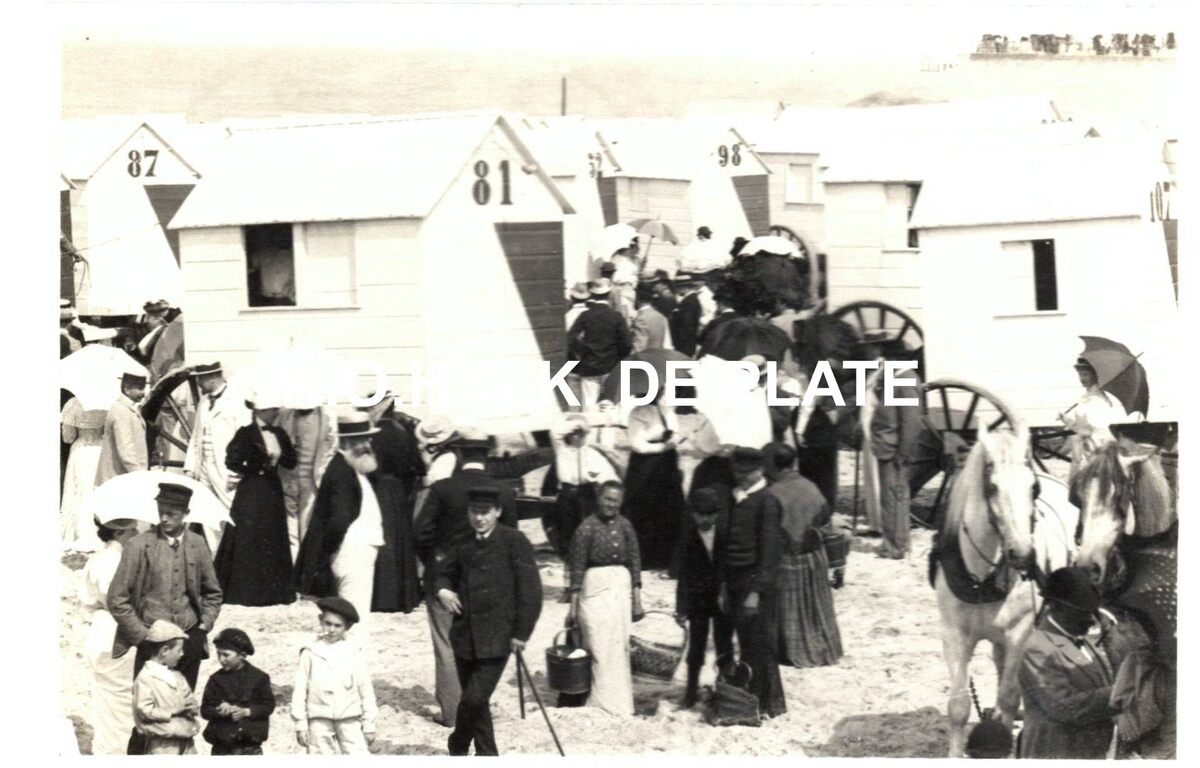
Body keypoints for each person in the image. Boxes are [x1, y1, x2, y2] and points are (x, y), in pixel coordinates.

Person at [414, 427, 518, 728]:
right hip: (487, 579)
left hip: (445, 577)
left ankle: (452, 713)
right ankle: (476, 707)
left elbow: (420, 532)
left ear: (459, 453)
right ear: (488, 454)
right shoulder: (503, 492)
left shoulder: (443, 489)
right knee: (482, 644)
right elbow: (511, 540)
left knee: (447, 644)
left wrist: (433, 562)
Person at [434, 487, 543, 755]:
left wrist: (521, 634)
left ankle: (457, 744)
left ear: (497, 512)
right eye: (474, 512)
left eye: (485, 512)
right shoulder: (462, 541)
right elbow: (442, 572)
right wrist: (443, 590)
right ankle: (488, 754)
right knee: (478, 703)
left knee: (473, 698)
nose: (479, 518)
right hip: (464, 636)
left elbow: (531, 592)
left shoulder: (514, 540)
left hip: (498, 637)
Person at [107, 483, 223, 697]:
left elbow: (213, 593)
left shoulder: (198, 544)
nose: (164, 519)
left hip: (189, 638)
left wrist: (203, 626)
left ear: (186, 513)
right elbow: (116, 599)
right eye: (161, 512)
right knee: (148, 705)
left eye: (171, 514)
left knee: (183, 703)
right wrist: (141, 636)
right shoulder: (138, 545)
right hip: (151, 642)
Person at [294, 410, 390, 645]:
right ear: (346, 442)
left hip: (353, 549)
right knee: (354, 615)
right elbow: (339, 520)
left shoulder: (351, 467)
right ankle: (354, 662)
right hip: (351, 551)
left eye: (368, 438)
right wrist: (330, 550)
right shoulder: (342, 470)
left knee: (352, 612)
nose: (367, 444)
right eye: (361, 439)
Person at [1018, 566, 1116, 759]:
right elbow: (1064, 707)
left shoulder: (1083, 641)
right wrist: (1119, 692)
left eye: (1093, 611)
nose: (1091, 620)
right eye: (1083, 612)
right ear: (1057, 607)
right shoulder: (1036, 647)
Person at [718, 446, 786, 718]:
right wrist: (724, 584)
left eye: (746, 473)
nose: (741, 477)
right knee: (745, 642)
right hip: (734, 578)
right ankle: (747, 699)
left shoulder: (767, 502)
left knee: (759, 643)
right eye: (737, 472)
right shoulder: (735, 497)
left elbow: (770, 553)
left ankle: (767, 703)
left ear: (759, 471)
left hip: (755, 581)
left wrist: (756, 591)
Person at [565, 481, 643, 715]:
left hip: (620, 590)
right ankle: (598, 701)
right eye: (608, 499)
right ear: (599, 498)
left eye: (616, 501)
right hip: (594, 590)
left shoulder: (625, 525)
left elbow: (635, 562)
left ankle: (619, 703)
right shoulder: (586, 528)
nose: (611, 505)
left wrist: (637, 600)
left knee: (618, 646)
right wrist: (573, 608)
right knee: (598, 644)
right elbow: (576, 570)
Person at [213, 390, 298, 607]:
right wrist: (253, 468)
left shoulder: (279, 433)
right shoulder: (246, 433)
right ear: (261, 411)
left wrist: (286, 452)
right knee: (249, 535)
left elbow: (291, 462)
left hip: (272, 489)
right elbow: (231, 460)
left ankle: (272, 592)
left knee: (272, 534)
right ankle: (245, 591)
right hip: (251, 489)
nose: (276, 413)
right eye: (272, 410)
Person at [763, 442, 843, 668]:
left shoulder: (772, 494)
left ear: (772, 465)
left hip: (789, 559)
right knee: (815, 609)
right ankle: (822, 647)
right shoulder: (811, 487)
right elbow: (826, 522)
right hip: (815, 557)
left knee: (791, 610)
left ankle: (793, 651)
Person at [78, 519, 139, 754]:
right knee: (120, 702)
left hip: (99, 628)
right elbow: (118, 602)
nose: (136, 532)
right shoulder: (114, 562)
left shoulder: (98, 558)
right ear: (120, 532)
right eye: (132, 529)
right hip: (115, 633)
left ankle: (107, 749)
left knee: (107, 701)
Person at [862, 332, 924, 559]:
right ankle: (898, 542)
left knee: (893, 498)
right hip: (888, 447)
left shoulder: (905, 380)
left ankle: (894, 547)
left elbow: (911, 422)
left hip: (894, 450)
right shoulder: (895, 378)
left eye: (887, 359)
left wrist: (903, 453)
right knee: (894, 498)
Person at [673, 487, 735, 709]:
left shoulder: (725, 536)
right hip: (698, 601)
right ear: (693, 514)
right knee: (696, 646)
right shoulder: (688, 539)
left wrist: (727, 593)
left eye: (710, 514)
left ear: (717, 514)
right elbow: (683, 577)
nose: (705, 519)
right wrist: (681, 608)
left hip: (721, 600)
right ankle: (691, 691)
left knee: (724, 643)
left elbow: (729, 569)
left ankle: (727, 690)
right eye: (700, 514)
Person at [291, 596, 377, 755]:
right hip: (318, 717)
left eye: (338, 626)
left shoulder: (353, 652)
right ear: (320, 620)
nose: (331, 630)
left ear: (347, 627)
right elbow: (300, 689)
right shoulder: (310, 652)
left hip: (349, 717)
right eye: (327, 623)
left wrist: (369, 724)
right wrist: (301, 724)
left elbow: (365, 689)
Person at [367, 394, 426, 614]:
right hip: (399, 491)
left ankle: (383, 596)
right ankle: (402, 596)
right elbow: (418, 467)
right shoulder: (403, 431)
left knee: (382, 539)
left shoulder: (373, 433)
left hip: (378, 489)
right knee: (399, 540)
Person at [184, 362, 249, 552]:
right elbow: (196, 436)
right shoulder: (204, 402)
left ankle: (236, 558)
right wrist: (190, 468)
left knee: (231, 515)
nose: (197, 383)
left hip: (226, 470)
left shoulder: (236, 401)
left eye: (200, 378)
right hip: (204, 470)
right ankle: (216, 558)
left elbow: (245, 438)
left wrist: (239, 471)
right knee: (208, 516)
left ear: (212, 378)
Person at [623, 386, 689, 571]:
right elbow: (638, 445)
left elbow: (675, 433)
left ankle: (666, 558)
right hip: (645, 465)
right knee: (642, 505)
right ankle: (642, 558)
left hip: (666, 465)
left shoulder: (667, 409)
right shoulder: (637, 413)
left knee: (668, 507)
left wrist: (673, 438)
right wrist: (663, 444)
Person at [545, 413, 619, 560]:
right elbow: (554, 432)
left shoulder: (591, 453)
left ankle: (591, 556)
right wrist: (576, 424)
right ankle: (570, 558)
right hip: (567, 492)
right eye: (573, 434)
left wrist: (606, 484)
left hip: (587, 492)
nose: (577, 437)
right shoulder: (562, 450)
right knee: (567, 526)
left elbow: (609, 475)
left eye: (581, 434)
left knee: (588, 524)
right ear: (568, 435)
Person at [277, 403, 338, 562]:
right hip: (288, 480)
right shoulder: (284, 414)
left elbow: (332, 448)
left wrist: (322, 474)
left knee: (308, 529)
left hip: (312, 483)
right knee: (289, 529)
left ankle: (305, 569)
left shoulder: (328, 416)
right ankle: (293, 568)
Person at [131, 620, 202, 755]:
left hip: (186, 742)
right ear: (164, 651)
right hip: (162, 745)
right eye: (179, 650)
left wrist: (192, 707)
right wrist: (173, 710)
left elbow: (190, 700)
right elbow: (144, 710)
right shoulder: (146, 678)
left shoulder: (178, 676)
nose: (182, 654)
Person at [201, 628, 274, 755]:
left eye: (226, 655)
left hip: (250, 746)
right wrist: (219, 710)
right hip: (222, 747)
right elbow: (205, 710)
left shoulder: (259, 678)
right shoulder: (216, 679)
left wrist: (246, 712)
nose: (221, 659)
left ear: (242, 655)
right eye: (218, 654)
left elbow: (268, 706)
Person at [567, 278, 633, 411]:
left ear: (592, 294)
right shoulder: (616, 316)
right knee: (608, 408)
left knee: (590, 407)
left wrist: (583, 352)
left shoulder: (585, 315)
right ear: (609, 294)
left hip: (590, 367)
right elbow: (626, 344)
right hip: (610, 367)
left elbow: (570, 338)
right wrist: (617, 357)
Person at [1061, 357, 1129, 486]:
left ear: (1095, 375)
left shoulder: (1098, 400)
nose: (1082, 378)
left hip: (1095, 451)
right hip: (1085, 450)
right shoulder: (1086, 397)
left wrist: (1067, 422)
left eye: (1085, 374)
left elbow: (1086, 431)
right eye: (1080, 374)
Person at [60, 396, 108, 552]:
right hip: (100, 451)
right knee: (96, 490)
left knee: (79, 492)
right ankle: (97, 532)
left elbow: (68, 438)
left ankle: (79, 533)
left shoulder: (73, 404)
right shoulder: (106, 404)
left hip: (81, 451)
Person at [94, 371, 149, 487]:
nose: (144, 393)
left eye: (143, 387)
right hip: (117, 478)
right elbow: (126, 451)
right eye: (140, 388)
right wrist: (141, 477)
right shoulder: (121, 411)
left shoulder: (127, 408)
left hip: (124, 477)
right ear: (127, 389)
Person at [631, 282, 674, 353]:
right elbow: (667, 345)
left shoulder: (641, 319)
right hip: (658, 357)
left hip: (644, 358)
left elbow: (638, 349)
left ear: (637, 297)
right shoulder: (661, 317)